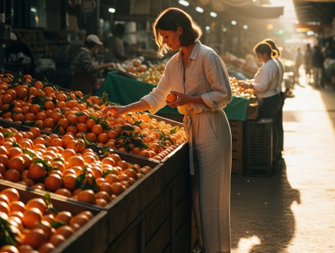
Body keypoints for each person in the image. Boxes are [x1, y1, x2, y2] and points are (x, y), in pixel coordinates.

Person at [103, 7, 232, 253]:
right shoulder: (174, 62)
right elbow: (158, 96)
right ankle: (205, 247)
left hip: (212, 127)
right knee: (196, 198)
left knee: (212, 200)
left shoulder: (207, 56)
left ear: (180, 30)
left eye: (166, 35)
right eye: (161, 36)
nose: (164, 41)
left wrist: (189, 99)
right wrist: (124, 109)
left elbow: (224, 94)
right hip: (192, 129)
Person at [239, 41, 284, 164]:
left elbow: (263, 86)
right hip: (273, 97)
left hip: (268, 99)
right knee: (273, 127)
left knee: (266, 128)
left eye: (258, 55)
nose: (257, 58)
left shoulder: (269, 66)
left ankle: (266, 155)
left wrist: (248, 84)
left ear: (264, 54)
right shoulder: (271, 64)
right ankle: (272, 154)